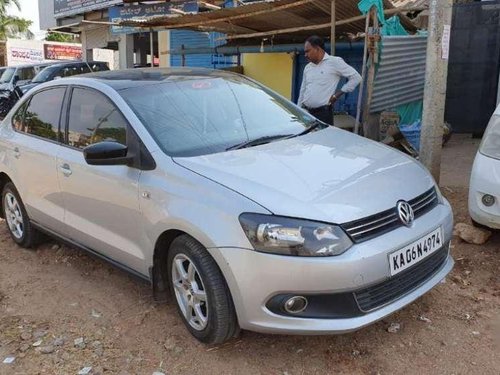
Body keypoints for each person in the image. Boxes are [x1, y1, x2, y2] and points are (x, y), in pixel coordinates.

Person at [298, 35, 362, 125]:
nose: (305, 55)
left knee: (324, 139)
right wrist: (299, 109)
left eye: (307, 51)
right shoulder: (308, 67)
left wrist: (337, 95)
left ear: (317, 49)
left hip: (323, 114)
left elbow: (356, 77)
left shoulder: (334, 62)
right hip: (306, 113)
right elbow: (303, 90)